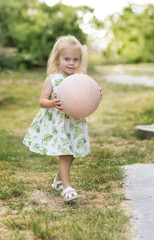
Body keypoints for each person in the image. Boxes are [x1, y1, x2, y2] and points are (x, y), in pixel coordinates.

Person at [23, 35, 102, 202]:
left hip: (74, 123)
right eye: (67, 59)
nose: (71, 63)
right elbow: (42, 101)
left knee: (72, 154)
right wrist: (52, 102)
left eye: (76, 59)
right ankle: (67, 188)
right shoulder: (51, 79)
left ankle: (58, 181)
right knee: (65, 155)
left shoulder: (79, 80)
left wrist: (95, 93)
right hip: (58, 124)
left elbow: (85, 98)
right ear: (57, 59)